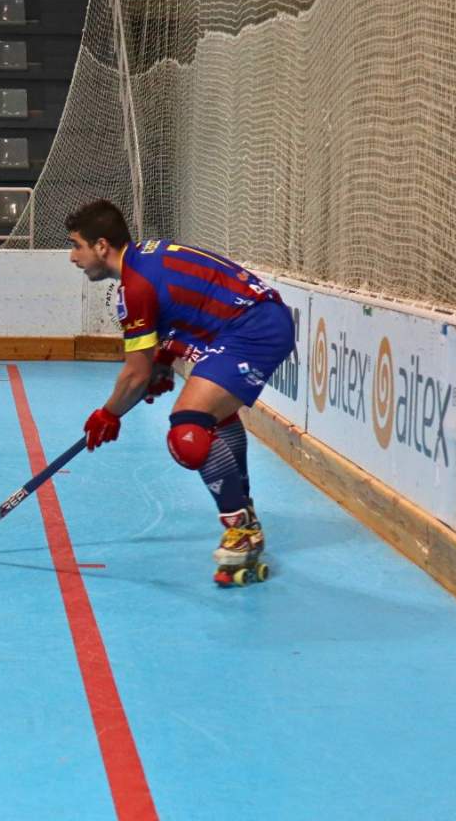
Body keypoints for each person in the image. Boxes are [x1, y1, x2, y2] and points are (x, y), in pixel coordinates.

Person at [66, 198, 295, 585]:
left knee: (187, 431)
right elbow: (192, 308)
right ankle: (245, 516)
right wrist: (164, 361)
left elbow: (133, 377)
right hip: (253, 321)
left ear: (102, 246)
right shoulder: (147, 257)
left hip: (253, 328)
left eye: (76, 245)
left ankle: (240, 529)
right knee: (214, 418)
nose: (73, 257)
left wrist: (109, 414)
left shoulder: (135, 286)